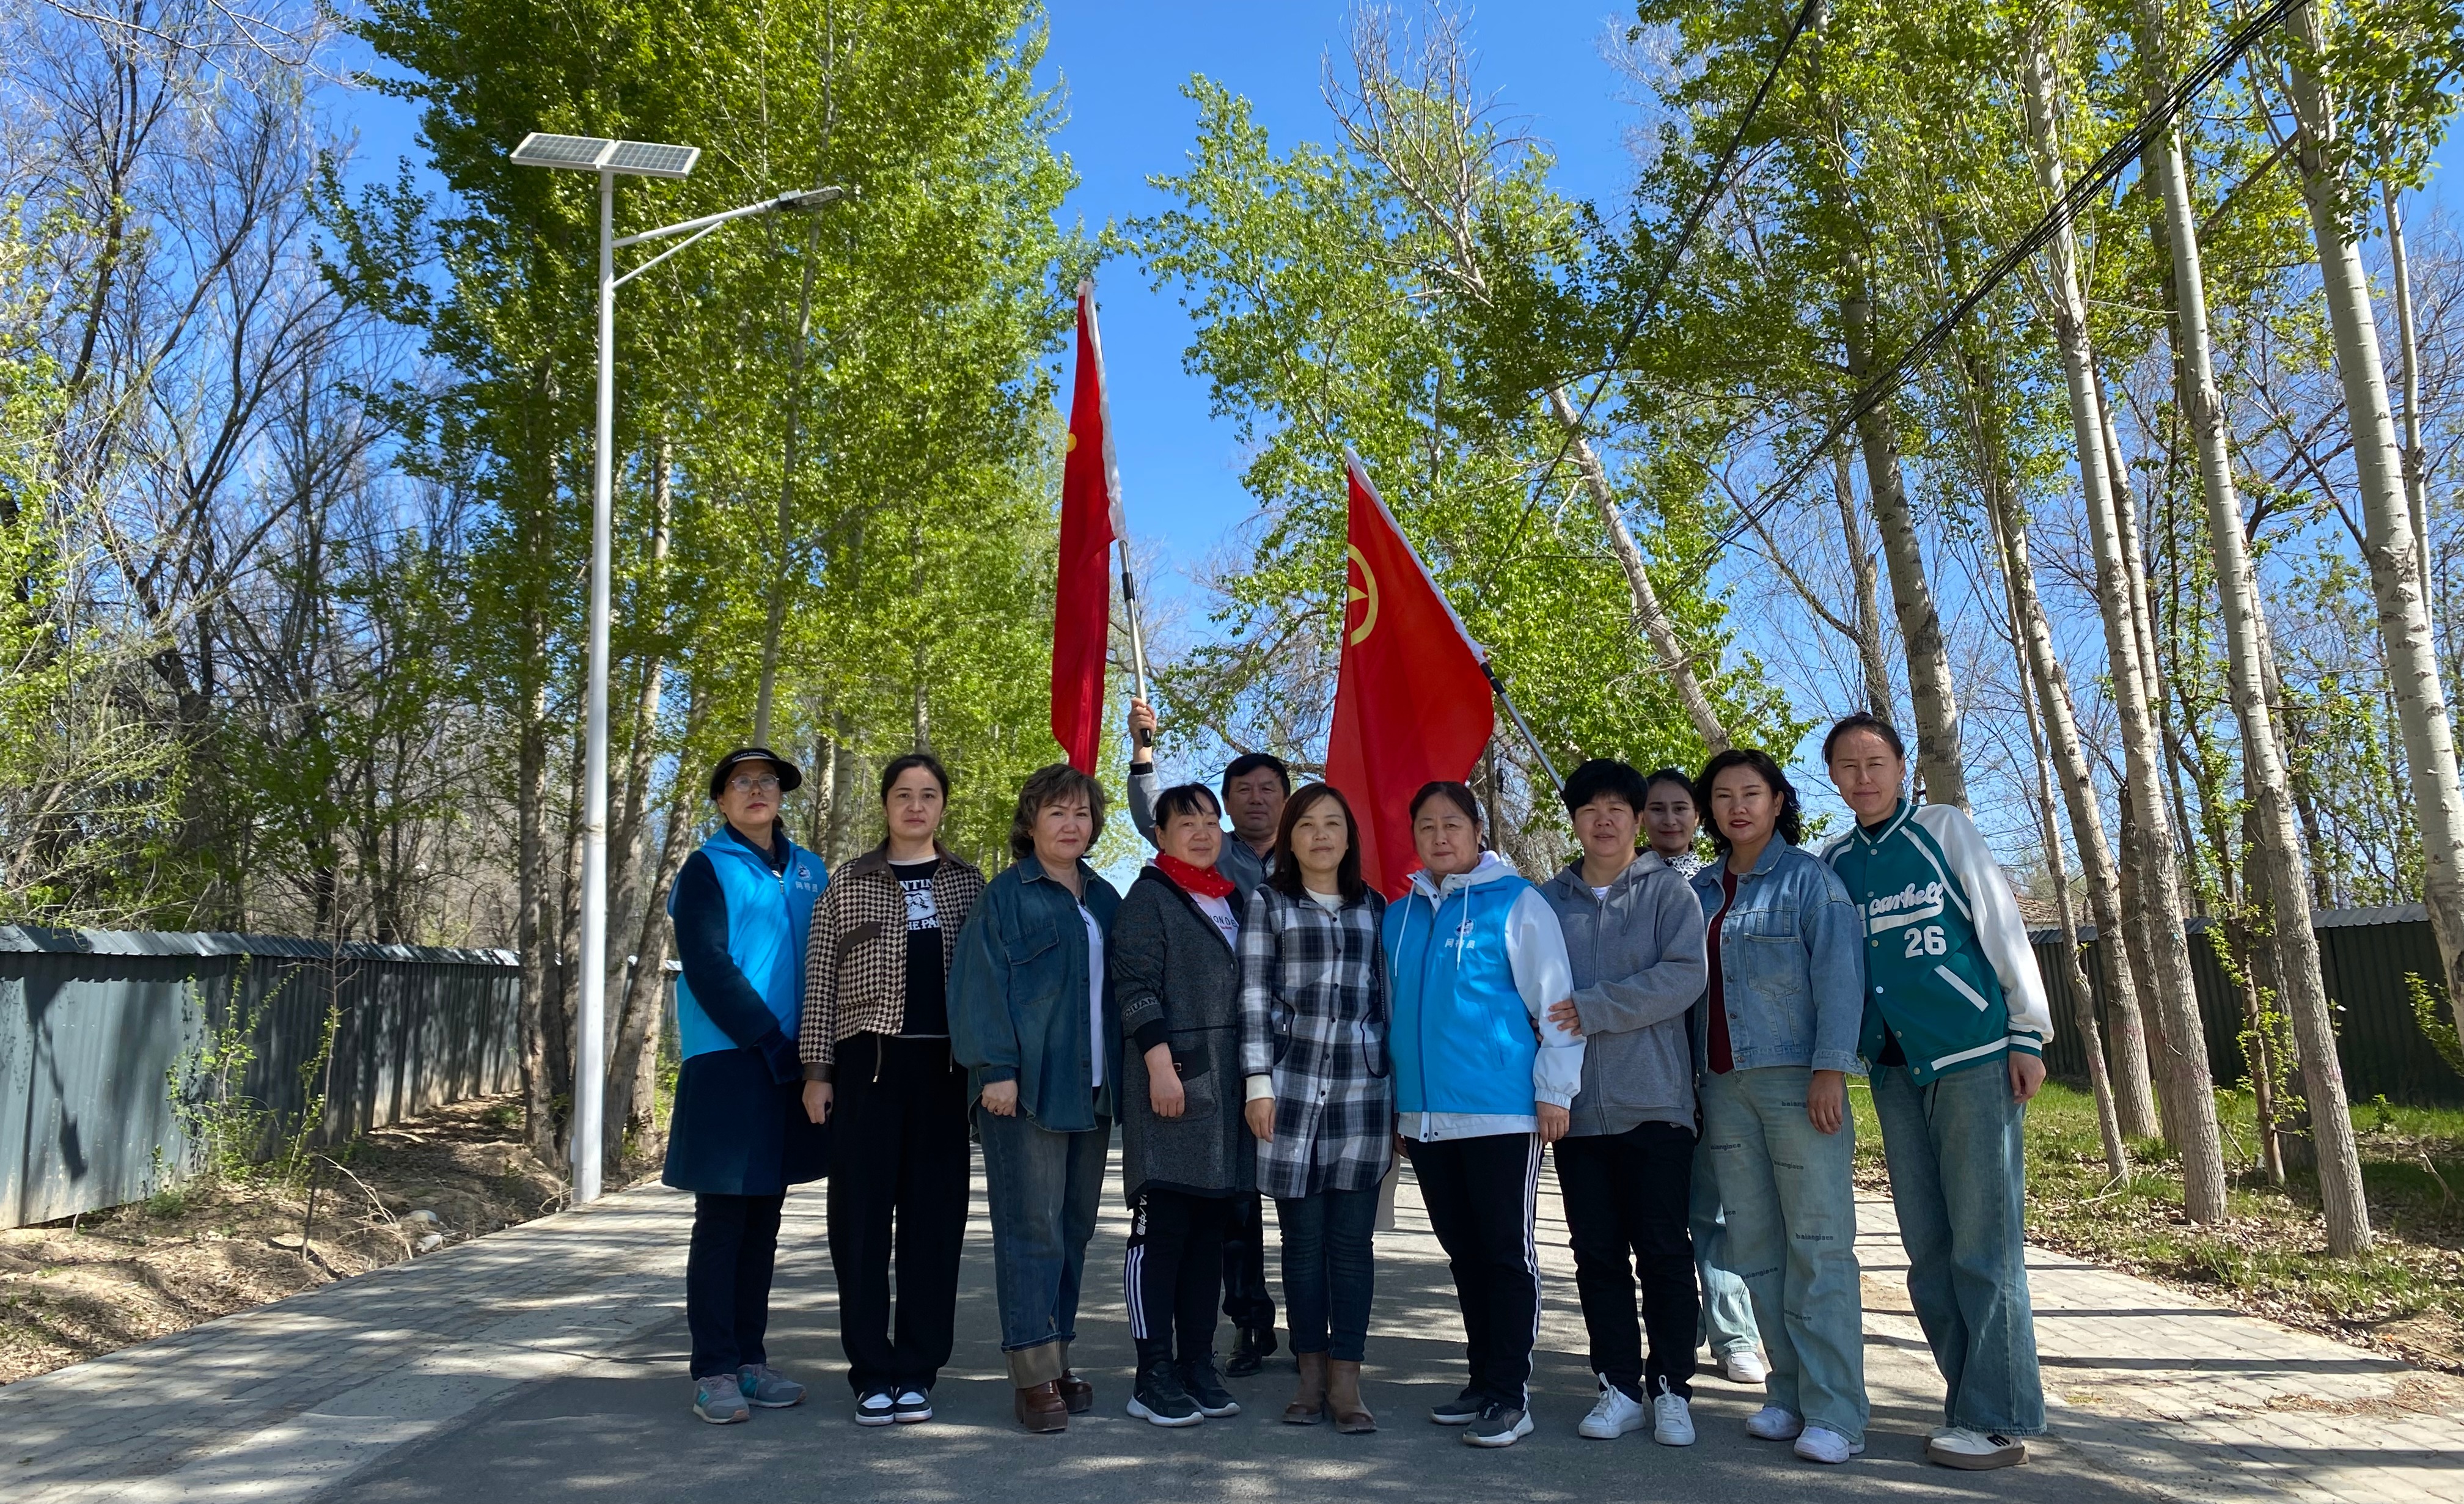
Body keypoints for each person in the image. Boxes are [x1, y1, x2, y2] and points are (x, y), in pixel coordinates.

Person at [1822, 714, 2052, 1471]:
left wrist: (2027, 1031)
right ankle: (1967, 1402)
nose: (1863, 776)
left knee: (1985, 1244)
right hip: (1894, 1071)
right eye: (1848, 765)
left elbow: (2001, 926)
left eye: (1876, 761)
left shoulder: (1943, 829)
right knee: (1928, 1251)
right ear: (1834, 778)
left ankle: (1998, 1418)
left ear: (1901, 768)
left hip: (1974, 1057)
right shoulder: (1835, 862)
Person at [1385, 780, 1582, 1450]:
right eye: (1427, 826)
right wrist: (1401, 1105)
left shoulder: (1516, 901)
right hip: (1425, 1116)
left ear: (1477, 831)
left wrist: (1556, 1088)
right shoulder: (1400, 915)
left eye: (1453, 824)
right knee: (1463, 1253)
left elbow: (1556, 1001)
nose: (1440, 836)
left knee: (1505, 1253)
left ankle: (1510, 1394)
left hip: (1501, 1112)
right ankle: (1480, 1381)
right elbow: (1394, 1013)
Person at [1691, 748, 1869, 1464]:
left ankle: (1838, 1412)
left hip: (1797, 1082)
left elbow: (1841, 980)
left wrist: (1830, 1069)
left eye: (1752, 793)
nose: (1737, 806)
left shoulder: (1810, 881)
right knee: (1757, 1246)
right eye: (1723, 796)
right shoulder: (1701, 890)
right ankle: (1787, 1394)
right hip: (1722, 1087)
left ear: (1777, 801)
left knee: (1818, 1245)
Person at [798, 752, 985, 1426]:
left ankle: (917, 1370)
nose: (915, 805)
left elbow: (989, 982)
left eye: (928, 794)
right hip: (867, 1071)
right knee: (860, 1225)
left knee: (936, 1226)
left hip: (944, 1075)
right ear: (885, 803)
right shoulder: (848, 882)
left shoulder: (969, 883)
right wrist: (817, 1072)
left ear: (942, 806)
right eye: (903, 793)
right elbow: (819, 980)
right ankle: (871, 1371)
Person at [1538, 759, 1709, 1447]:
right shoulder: (1547, 902)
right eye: (1589, 809)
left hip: (1657, 1105)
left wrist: (1594, 1006)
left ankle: (1672, 1387)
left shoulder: (1670, 893)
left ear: (1637, 819)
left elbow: (1685, 976)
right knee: (1596, 1254)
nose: (1603, 820)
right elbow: (1526, 988)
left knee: (1663, 1251)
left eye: (1617, 808)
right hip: (1576, 1112)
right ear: (1575, 820)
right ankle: (1617, 1385)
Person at [949, 763, 1123, 1434]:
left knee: (1074, 1230)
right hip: (1023, 1093)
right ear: (1031, 822)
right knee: (1031, 1231)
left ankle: (1059, 1357)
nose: (1071, 824)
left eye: (1081, 813)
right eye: (1057, 812)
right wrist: (996, 1068)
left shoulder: (1105, 898)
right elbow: (977, 984)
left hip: (1093, 1091)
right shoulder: (1005, 896)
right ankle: (1031, 1377)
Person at [663, 747, 832, 1425]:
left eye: (768, 781)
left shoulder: (810, 869)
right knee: (723, 1221)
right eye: (742, 782)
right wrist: (768, 1040)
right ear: (722, 799)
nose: (757, 790)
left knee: (765, 1218)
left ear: (782, 795)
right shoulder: (706, 868)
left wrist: (818, 1055)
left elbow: (828, 959)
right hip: (731, 1060)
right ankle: (713, 1369)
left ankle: (750, 1361)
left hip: (793, 1062)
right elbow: (706, 963)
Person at [1126, 696, 1285, 1377]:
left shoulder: (1306, 856)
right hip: (1200, 1078)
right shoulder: (1173, 887)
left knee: (1283, 1208)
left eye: (1269, 789)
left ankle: (1316, 1342)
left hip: (1274, 1062)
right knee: (1209, 1217)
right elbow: (1136, 983)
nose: (1256, 799)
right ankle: (1224, 1334)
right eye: (1241, 791)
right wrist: (1143, 752)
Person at [1238, 783, 1392, 1435]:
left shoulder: (1376, 908)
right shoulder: (1268, 903)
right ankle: (1309, 1373)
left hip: (1363, 1095)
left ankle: (1347, 1379)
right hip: (1290, 1093)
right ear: (1290, 839)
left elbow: (1388, 1004)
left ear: (1349, 837)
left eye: (1333, 823)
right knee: (1301, 1244)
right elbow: (1252, 995)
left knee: (1352, 1245)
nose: (1321, 835)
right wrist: (1257, 1083)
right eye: (1307, 825)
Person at [1112, 783, 1254, 1427]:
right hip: (1170, 1088)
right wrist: (1159, 1066)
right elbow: (1134, 986)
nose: (1202, 832)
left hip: (1225, 1099)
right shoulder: (1150, 897)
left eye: (1211, 821)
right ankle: (1153, 1375)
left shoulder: (1232, 900)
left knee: (1207, 1238)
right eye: (1186, 822)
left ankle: (1198, 1364)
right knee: (1162, 1233)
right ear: (1161, 835)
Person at [1645, 765, 1767, 1388]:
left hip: (1717, 1063)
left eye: (1680, 808)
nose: (1669, 819)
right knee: (1664, 1213)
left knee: (1716, 1207)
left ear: (1699, 816)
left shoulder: (1719, 883)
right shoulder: (1628, 882)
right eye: (1656, 808)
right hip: (1653, 1073)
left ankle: (1734, 1330)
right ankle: (1679, 1327)